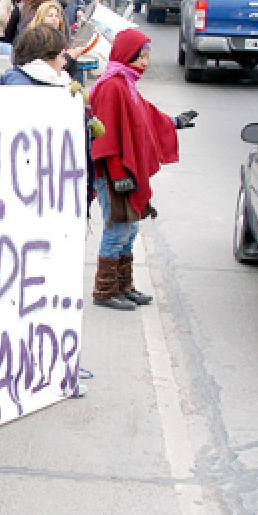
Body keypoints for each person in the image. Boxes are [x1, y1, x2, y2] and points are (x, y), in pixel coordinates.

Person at [88, 28, 197, 310]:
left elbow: (146, 117)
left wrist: (174, 122)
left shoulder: (125, 84)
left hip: (123, 173)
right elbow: (106, 136)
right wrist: (118, 173)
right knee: (117, 228)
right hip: (115, 174)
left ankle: (123, 286)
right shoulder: (112, 86)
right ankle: (105, 290)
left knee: (130, 228)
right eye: (142, 55)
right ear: (127, 54)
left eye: (148, 55)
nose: (146, 61)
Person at [0, 24, 71, 87]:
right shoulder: (20, 85)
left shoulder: (31, 79)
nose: (65, 62)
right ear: (45, 57)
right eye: (62, 56)